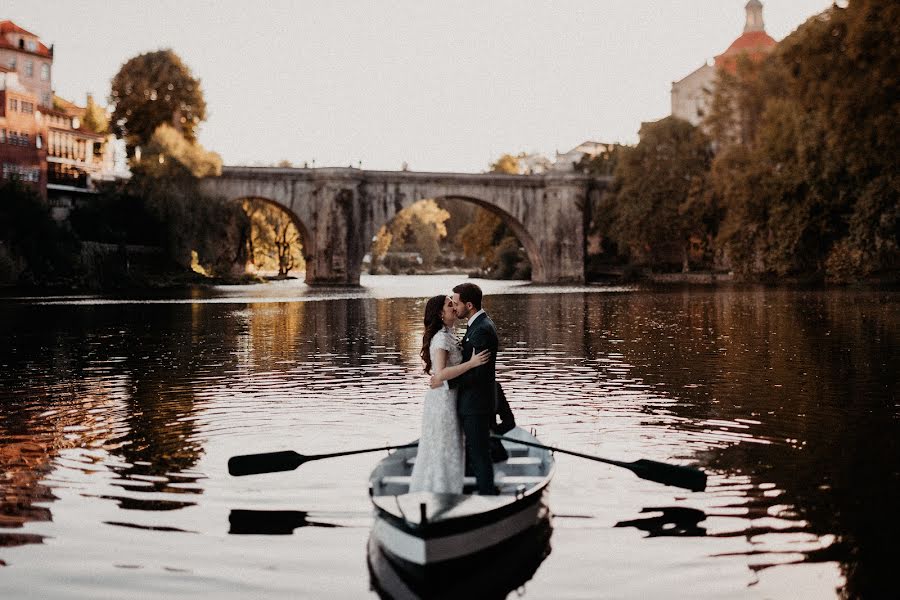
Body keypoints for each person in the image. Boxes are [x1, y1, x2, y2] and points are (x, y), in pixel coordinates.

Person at [409, 295, 490, 494]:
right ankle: (438, 490)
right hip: (442, 401)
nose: (454, 307)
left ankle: (450, 489)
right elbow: (441, 374)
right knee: (443, 445)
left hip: (451, 397)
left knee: (450, 444)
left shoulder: (449, 334)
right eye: (449, 304)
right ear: (440, 313)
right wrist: (471, 363)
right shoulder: (441, 338)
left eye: (453, 303)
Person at [431, 282, 500, 495]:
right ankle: (474, 491)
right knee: (474, 452)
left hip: (476, 404)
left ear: (469, 305)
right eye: (451, 303)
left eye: (457, 303)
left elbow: (478, 373)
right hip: (472, 402)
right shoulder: (476, 326)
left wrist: (445, 382)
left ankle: (488, 496)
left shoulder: (482, 330)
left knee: (479, 453)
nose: (455, 307)